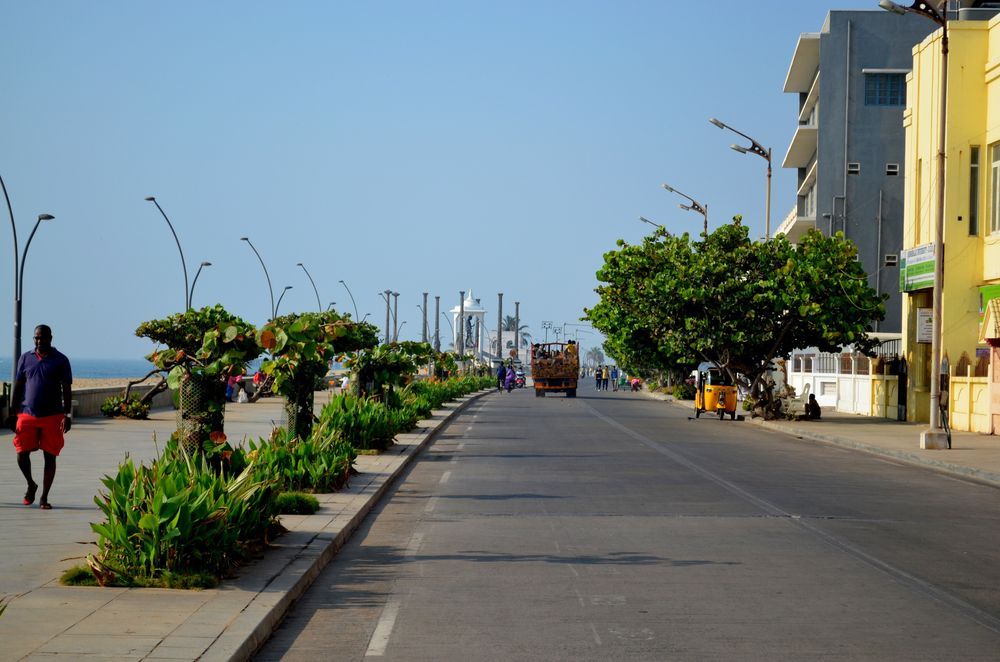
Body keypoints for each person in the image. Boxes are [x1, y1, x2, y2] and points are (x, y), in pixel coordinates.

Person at [6, 325, 72, 510]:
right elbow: (18, 387)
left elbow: (66, 389)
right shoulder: (25, 358)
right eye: (36, 338)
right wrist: (12, 413)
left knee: (50, 457)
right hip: (26, 413)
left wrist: (67, 414)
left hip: (53, 415)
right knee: (21, 452)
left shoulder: (61, 360)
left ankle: (44, 497)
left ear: (50, 338)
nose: (39, 341)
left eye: (42, 338)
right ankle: (31, 484)